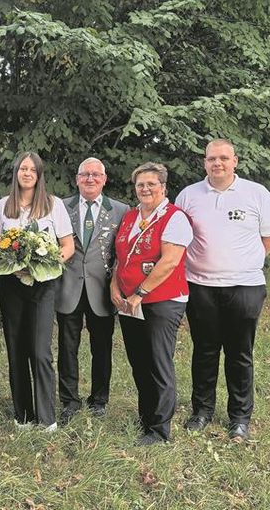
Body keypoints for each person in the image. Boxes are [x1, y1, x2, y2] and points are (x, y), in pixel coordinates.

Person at [175, 139, 270, 440]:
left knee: (239, 353)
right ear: (204, 162)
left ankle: (239, 417)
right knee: (205, 351)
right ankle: (202, 411)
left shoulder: (256, 193)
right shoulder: (188, 195)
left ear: (235, 161)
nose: (217, 163)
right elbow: (177, 235)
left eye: (223, 158)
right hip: (200, 285)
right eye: (212, 158)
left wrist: (245, 262)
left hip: (245, 286)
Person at [0, 152, 74, 431]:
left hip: (42, 285)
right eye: (22, 168)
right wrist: (11, 267)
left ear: (39, 175)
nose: (26, 173)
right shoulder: (4, 206)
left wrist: (46, 264)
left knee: (40, 350)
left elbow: (68, 246)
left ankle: (47, 418)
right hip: (11, 285)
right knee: (16, 347)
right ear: (16, 173)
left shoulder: (53, 205)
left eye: (31, 169)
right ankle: (23, 415)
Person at [110, 162, 193, 446]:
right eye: (140, 185)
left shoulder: (175, 217)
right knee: (139, 361)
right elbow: (121, 256)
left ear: (163, 187)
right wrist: (114, 287)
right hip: (129, 301)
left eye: (151, 184)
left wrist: (139, 293)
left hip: (161, 300)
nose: (145, 189)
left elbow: (169, 261)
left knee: (158, 362)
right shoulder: (131, 216)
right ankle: (146, 416)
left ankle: (159, 429)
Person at [55, 157, 128, 424]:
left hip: (102, 289)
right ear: (76, 179)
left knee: (102, 347)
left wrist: (118, 284)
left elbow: (123, 251)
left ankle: (99, 399)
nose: (90, 179)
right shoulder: (61, 207)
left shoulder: (120, 210)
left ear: (104, 179)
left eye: (96, 175)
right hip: (68, 286)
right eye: (85, 174)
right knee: (67, 346)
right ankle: (69, 400)